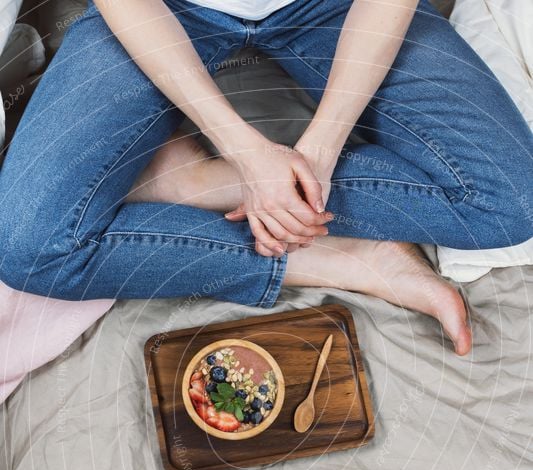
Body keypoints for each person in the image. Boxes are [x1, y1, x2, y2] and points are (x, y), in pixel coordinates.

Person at [1, 0, 532, 356]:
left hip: (337, 9)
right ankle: (343, 257)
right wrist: (244, 151)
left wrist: (320, 152)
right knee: (28, 247)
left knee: (512, 204)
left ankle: (195, 182)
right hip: (163, 12)